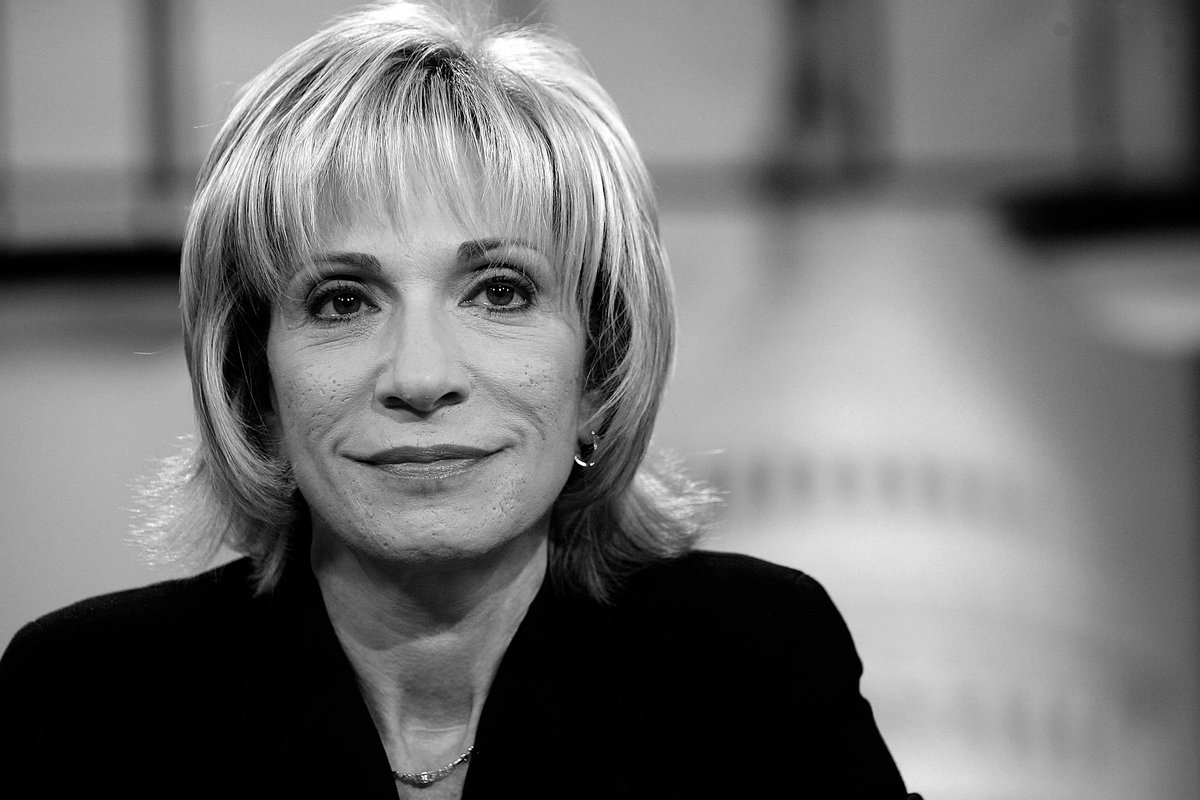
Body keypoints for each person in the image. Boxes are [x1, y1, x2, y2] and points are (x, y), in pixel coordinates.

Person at [0, 3, 917, 797]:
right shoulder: (85, 701)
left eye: (500, 293)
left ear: (599, 370)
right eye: (343, 302)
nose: (419, 375)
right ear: (255, 386)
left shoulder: (755, 667)